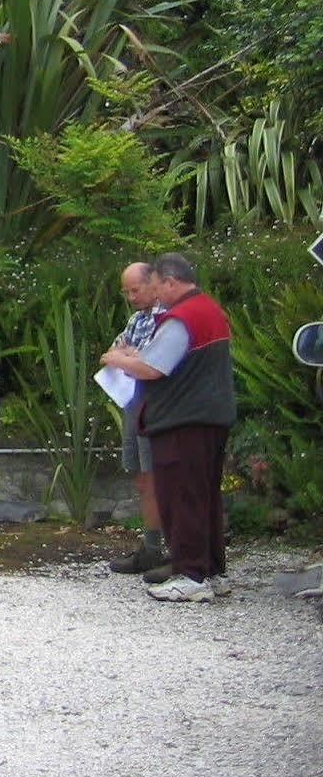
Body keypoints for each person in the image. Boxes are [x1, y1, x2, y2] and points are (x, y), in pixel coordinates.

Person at [100, 252, 236, 603]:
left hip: (183, 420)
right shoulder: (211, 310)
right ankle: (212, 570)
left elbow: (152, 368)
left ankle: (191, 574)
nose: (156, 295)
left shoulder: (182, 318)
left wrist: (119, 360)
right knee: (204, 495)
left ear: (172, 282)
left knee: (182, 496)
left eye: (158, 286)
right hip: (212, 415)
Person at [104, 262, 166, 577]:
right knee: (141, 475)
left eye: (135, 290)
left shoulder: (165, 319)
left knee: (155, 474)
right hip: (132, 401)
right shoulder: (137, 319)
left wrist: (126, 357)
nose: (130, 297)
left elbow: (150, 360)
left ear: (153, 284)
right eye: (126, 291)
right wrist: (125, 356)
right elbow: (116, 349)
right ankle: (150, 545)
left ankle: (160, 548)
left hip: (153, 406)